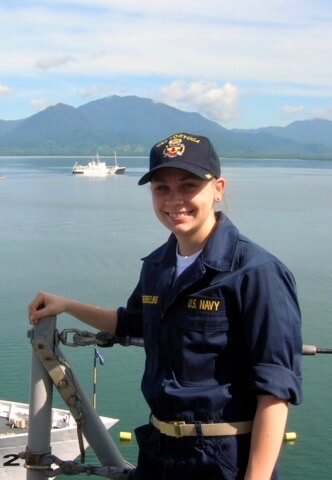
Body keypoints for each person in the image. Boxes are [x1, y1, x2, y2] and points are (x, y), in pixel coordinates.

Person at [28, 132, 303, 480]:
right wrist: (65, 304)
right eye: (162, 188)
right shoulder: (158, 266)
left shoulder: (256, 273)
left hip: (222, 462)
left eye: (188, 186)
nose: (174, 200)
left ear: (219, 188)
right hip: (158, 454)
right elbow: (131, 323)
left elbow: (275, 391)